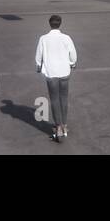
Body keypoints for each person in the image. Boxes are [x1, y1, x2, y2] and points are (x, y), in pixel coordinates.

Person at [35, 14, 77, 143]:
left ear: (50, 24)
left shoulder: (43, 38)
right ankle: (64, 125)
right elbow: (73, 54)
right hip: (64, 72)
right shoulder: (66, 38)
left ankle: (58, 126)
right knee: (63, 98)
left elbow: (39, 55)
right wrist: (72, 63)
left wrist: (38, 66)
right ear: (60, 24)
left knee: (54, 99)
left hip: (51, 72)